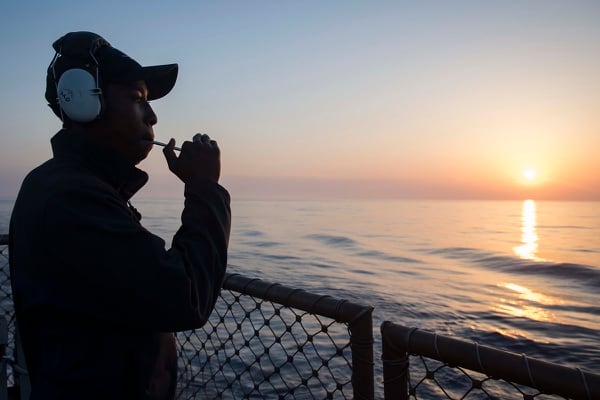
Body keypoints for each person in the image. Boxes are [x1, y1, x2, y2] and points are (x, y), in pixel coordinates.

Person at [8, 31, 231, 399]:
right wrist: (205, 188)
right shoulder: (72, 198)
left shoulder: (69, 185)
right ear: (84, 103)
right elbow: (186, 297)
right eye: (138, 99)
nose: (153, 116)